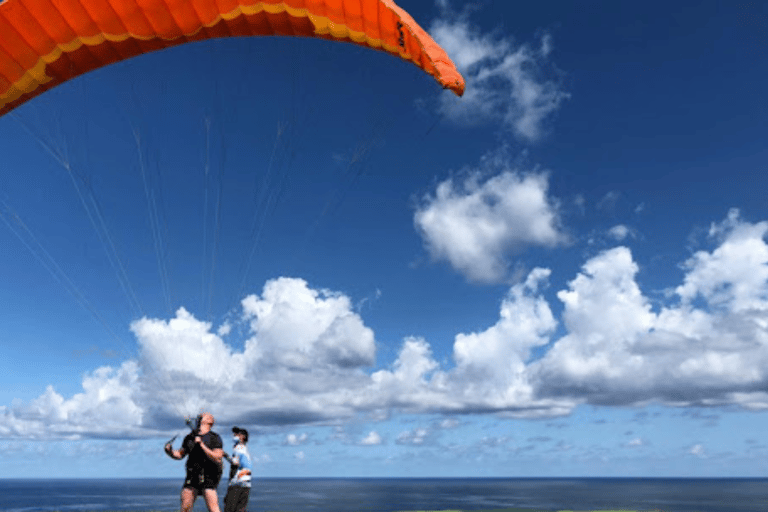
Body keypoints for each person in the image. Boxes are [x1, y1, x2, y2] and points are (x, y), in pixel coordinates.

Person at [165, 412, 224, 512]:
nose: (198, 417)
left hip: (209, 476)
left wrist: (202, 445)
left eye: (202, 416)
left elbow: (218, 457)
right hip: (192, 475)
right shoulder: (189, 437)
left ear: (210, 421)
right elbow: (180, 454)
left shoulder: (214, 437)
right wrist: (170, 452)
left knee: (213, 509)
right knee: (185, 508)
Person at [224, 426, 252, 512]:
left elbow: (235, 463)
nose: (234, 436)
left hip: (237, 483)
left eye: (237, 434)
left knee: (229, 508)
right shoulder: (245, 449)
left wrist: (225, 455)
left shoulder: (238, 447)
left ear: (242, 437)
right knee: (241, 509)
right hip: (246, 483)